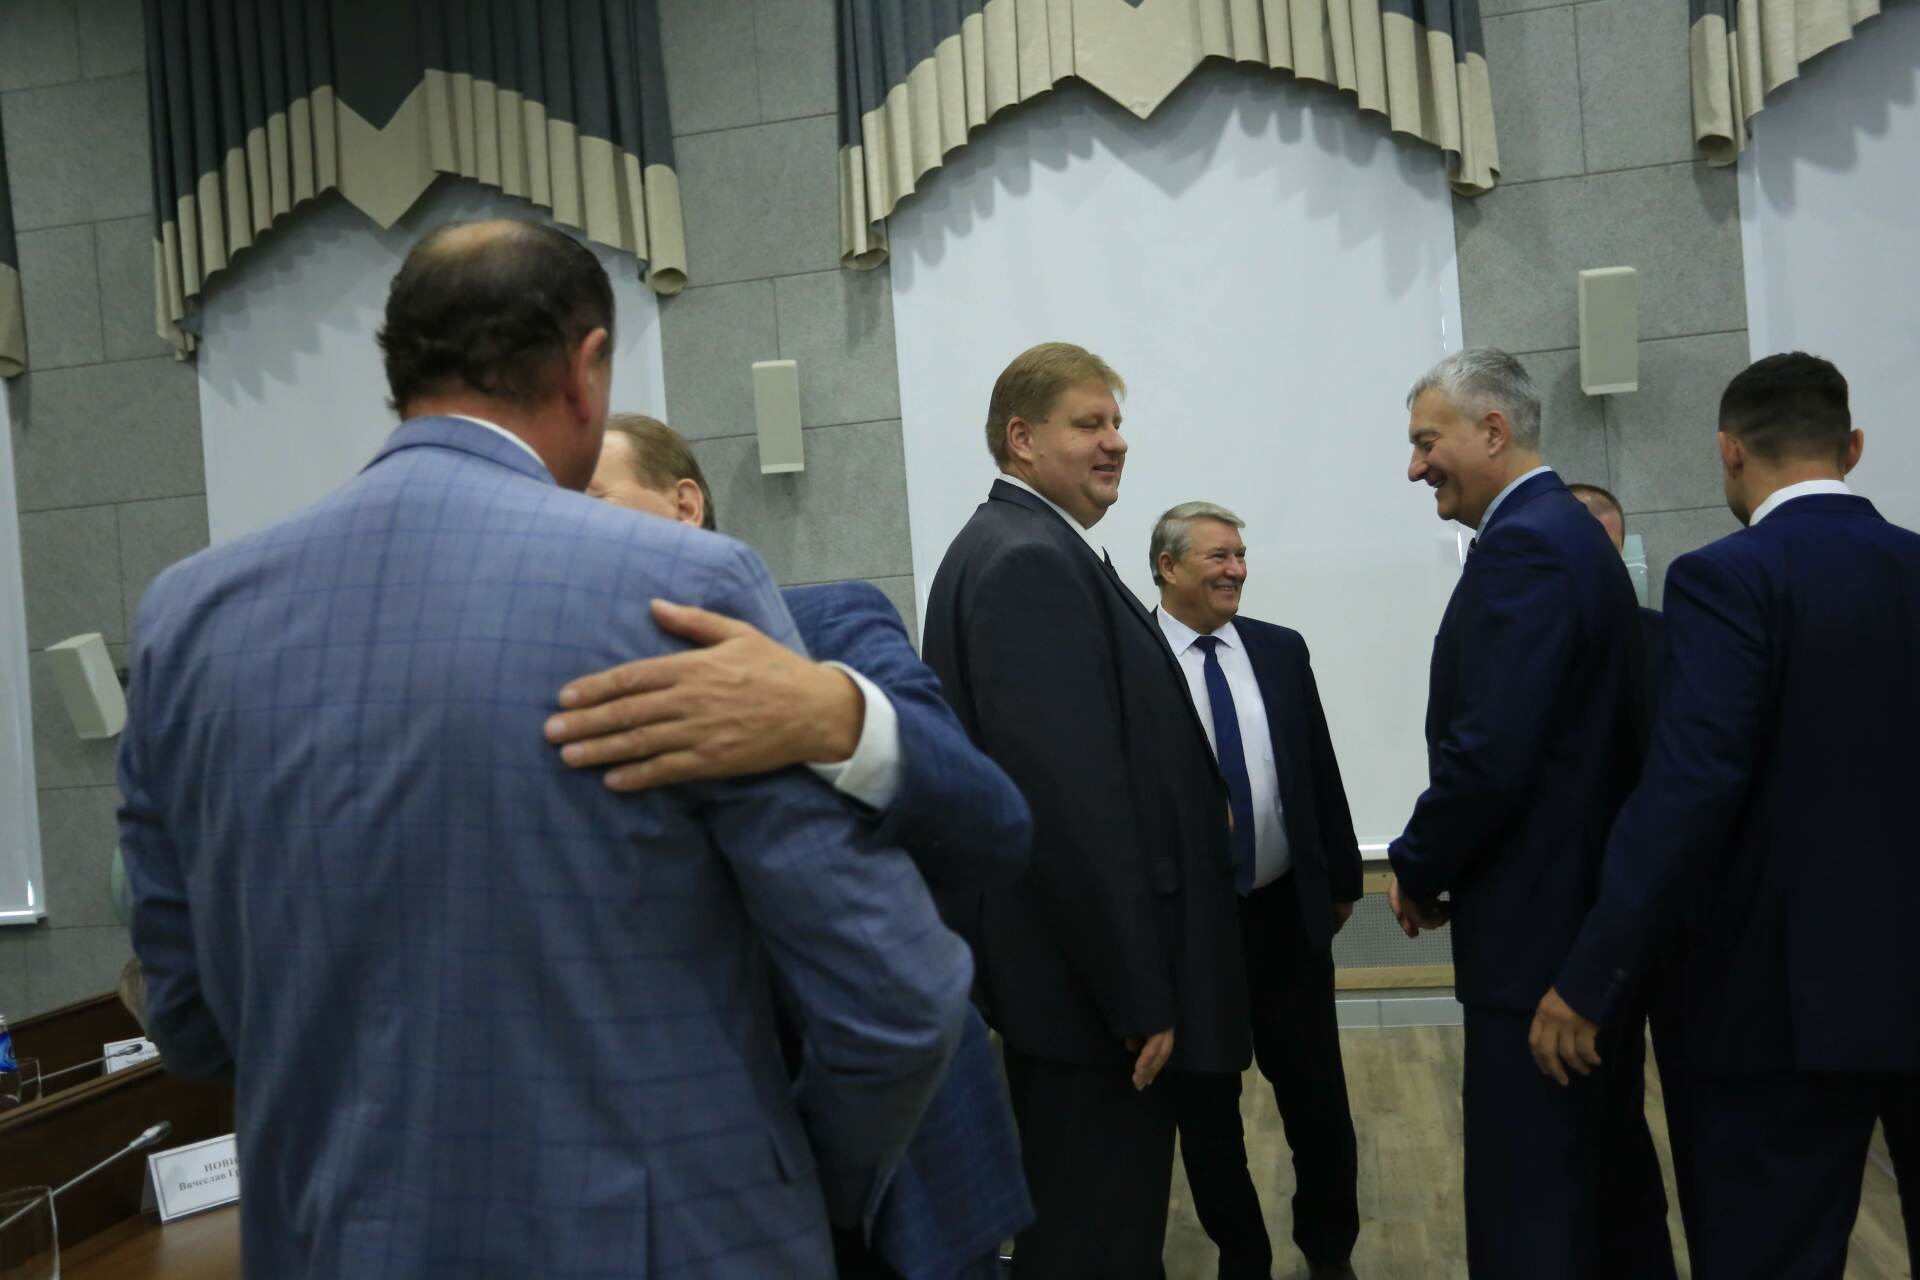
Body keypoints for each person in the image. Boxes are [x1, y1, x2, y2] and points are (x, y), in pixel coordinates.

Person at [117, 219, 972, 1280]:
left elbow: (189, 1021)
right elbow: (897, 995)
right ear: (586, 368)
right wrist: (794, 1186)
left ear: (399, 364)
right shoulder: (683, 588)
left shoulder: (188, 620)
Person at [545, 413, 1036, 1279]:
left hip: (905, 1173)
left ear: (685, 503)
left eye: (591, 498)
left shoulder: (826, 624)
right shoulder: (555, 692)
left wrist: (832, 716)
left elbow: (993, 823)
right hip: (694, 1193)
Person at [1534, 352, 1920, 1277]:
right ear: (1854, 447)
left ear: (1729, 450)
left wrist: (1594, 971)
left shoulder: (1727, 579)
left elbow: (1689, 788)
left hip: (1776, 1007)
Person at [922, 342, 1249, 1278]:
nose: (1116, 442)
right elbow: (1070, 808)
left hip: (1075, 989)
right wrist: (1136, 993)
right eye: (1089, 423)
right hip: (1087, 1001)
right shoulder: (1028, 560)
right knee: (1095, 1241)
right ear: (1022, 439)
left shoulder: (1028, 545)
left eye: (1116, 423)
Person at [1386, 348, 1673, 1279]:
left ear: (1493, 431)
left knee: (1532, 1207)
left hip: (1538, 944)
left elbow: (1489, 754)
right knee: (1606, 1190)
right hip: (1578, 927)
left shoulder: (1526, 547)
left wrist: (1417, 864)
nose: (1415, 466)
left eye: (1427, 442)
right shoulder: (1569, 535)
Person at [1148, 502, 1363, 1280]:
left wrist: (1341, 881)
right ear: (1169, 567)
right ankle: (1243, 1258)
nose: (1237, 569)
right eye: (1218, 556)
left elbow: (1318, 770)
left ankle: (1329, 1253)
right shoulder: (1132, 659)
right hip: (1192, 934)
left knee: (1318, 1104)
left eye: (1240, 555)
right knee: (1208, 1114)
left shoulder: (1279, 648)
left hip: (1284, 916)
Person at [1567, 479, 1697, 1245]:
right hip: (1589, 925)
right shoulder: (1542, 650)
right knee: (1604, 1118)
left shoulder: (1680, 644)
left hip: (1672, 923)